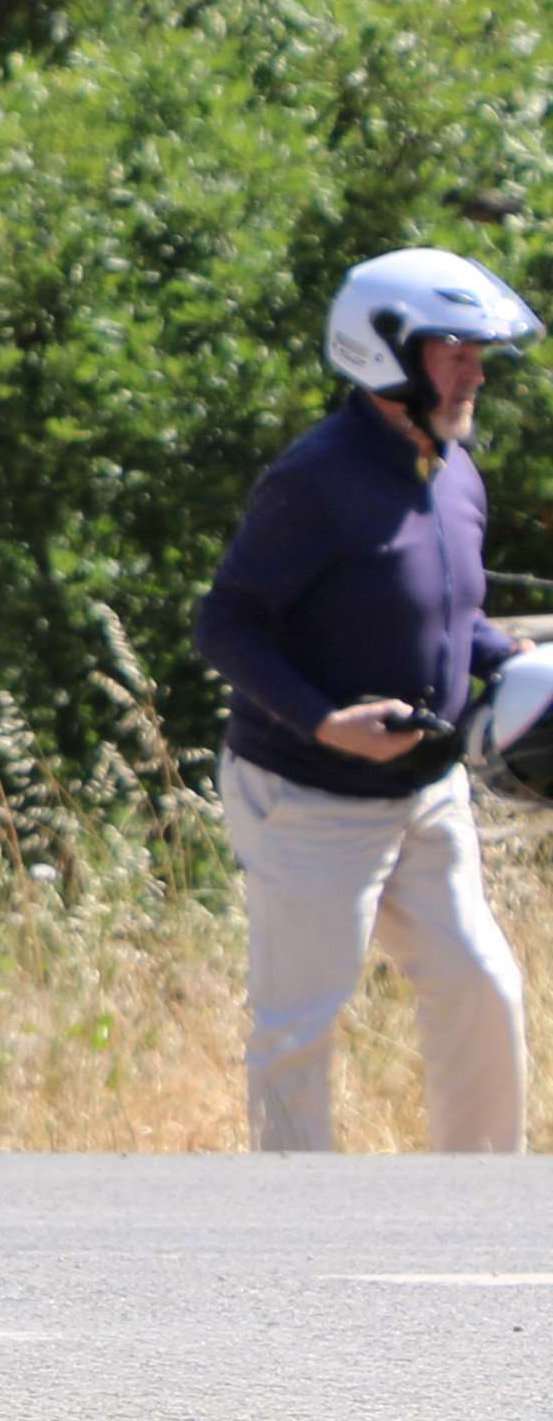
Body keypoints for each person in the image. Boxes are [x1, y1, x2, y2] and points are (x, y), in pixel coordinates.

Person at [192, 249, 534, 1155]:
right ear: (386, 352)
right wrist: (324, 721)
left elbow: (447, 612)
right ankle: (300, 1238)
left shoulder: (453, 467)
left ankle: (476, 1208)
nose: (474, 370)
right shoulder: (317, 479)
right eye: (453, 349)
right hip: (307, 796)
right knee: (300, 1024)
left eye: (476, 351)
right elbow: (226, 624)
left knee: (481, 990)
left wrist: (508, 656)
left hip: (427, 791)